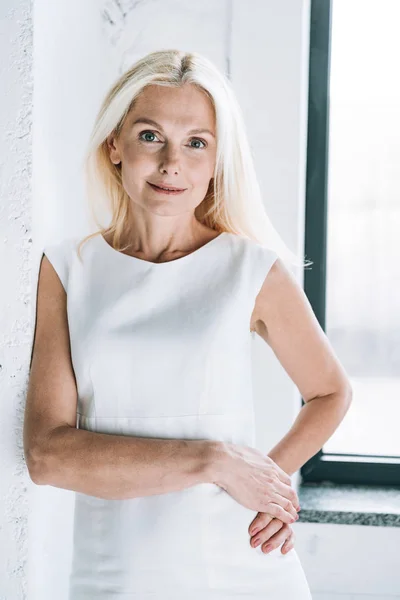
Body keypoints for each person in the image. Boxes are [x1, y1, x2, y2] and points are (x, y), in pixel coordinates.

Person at [24, 49, 352, 599]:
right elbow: (48, 455)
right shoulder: (65, 270)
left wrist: (271, 482)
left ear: (216, 162)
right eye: (151, 136)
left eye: (196, 142)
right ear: (115, 146)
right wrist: (213, 460)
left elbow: (330, 391)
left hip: (240, 563)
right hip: (114, 571)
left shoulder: (250, 269)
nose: (171, 162)